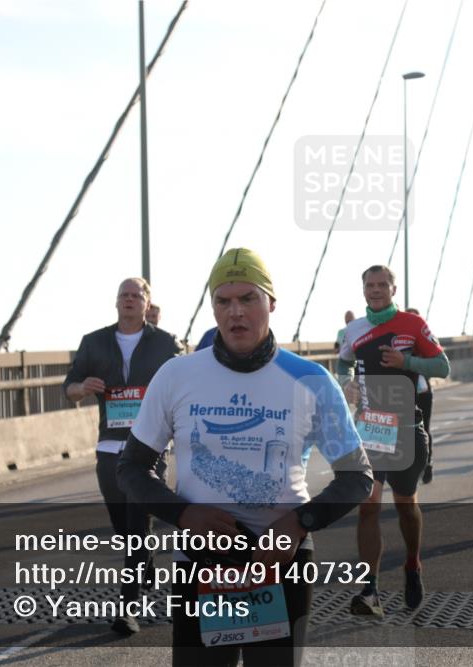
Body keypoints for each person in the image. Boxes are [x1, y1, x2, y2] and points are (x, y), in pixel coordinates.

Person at [118, 248, 373, 666]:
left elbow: (357, 476)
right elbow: (131, 468)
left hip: (282, 560)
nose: (235, 312)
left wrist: (298, 523)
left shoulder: (311, 379)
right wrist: (184, 515)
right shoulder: (177, 375)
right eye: (223, 300)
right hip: (201, 561)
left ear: (271, 302)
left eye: (248, 299)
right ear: (213, 306)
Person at [63, 277, 182, 635]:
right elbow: (68, 388)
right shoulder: (93, 342)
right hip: (109, 446)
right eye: (124, 295)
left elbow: (184, 387)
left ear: (148, 304)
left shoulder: (165, 344)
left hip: (150, 448)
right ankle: (145, 562)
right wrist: (81, 388)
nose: (129, 300)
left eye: (137, 295)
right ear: (116, 302)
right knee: (123, 526)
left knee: (136, 525)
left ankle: (127, 608)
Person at [338, 265, 451, 618]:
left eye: (381, 285)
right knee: (368, 504)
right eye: (369, 285)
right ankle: (369, 589)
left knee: (405, 506)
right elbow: (343, 365)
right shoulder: (352, 330)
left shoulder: (412, 325)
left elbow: (443, 366)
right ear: (363, 289)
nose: (375, 290)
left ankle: (413, 564)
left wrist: (408, 361)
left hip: (406, 428)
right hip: (370, 428)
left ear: (393, 288)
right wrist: (347, 384)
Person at [406, 307, 436, 485]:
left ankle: (428, 463)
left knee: (424, 429)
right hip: (401, 392)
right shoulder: (397, 341)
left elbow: (437, 365)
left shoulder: (426, 341)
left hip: (423, 392)